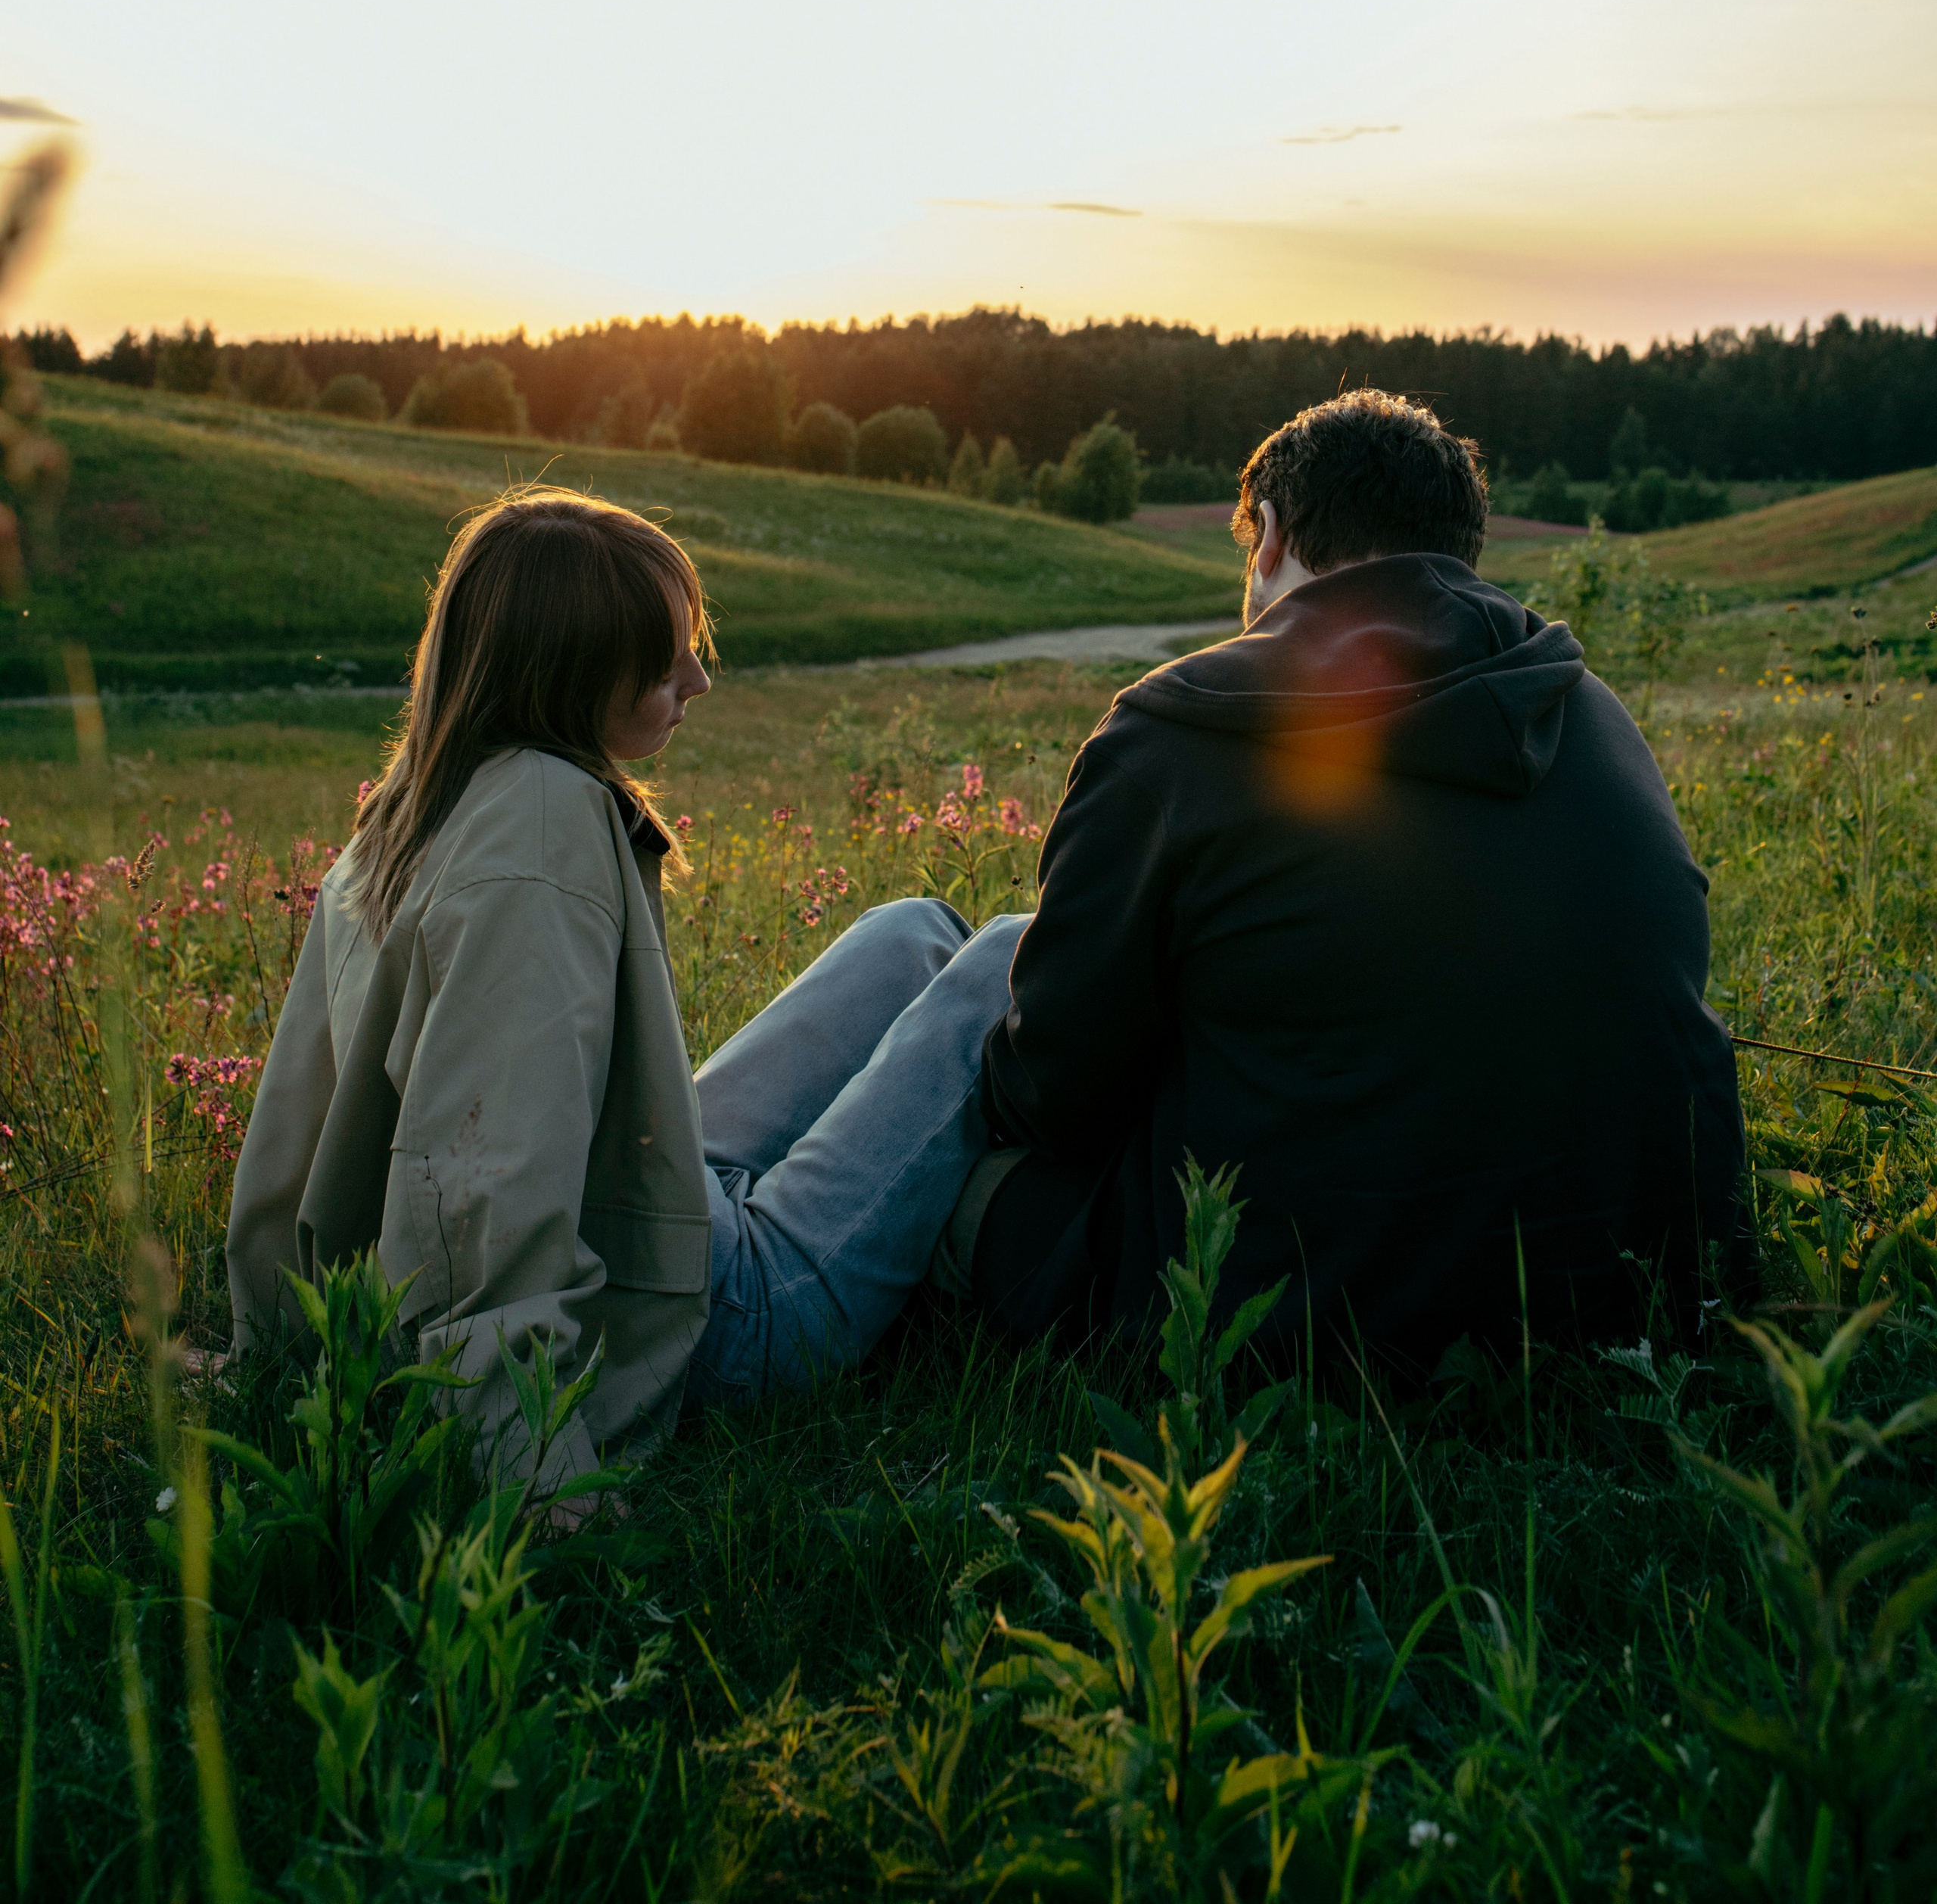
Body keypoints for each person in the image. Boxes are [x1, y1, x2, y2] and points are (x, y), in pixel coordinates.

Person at [226, 487, 1025, 1484]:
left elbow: (292, 1129)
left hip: (660, 1212)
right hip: (701, 1326)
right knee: (1012, 954)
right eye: (663, 659)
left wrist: (273, 1346)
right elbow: (492, 1181)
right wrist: (525, 1463)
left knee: (915, 931)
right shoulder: (540, 833)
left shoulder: (413, 809)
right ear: (568, 672)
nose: (698, 679)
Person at [955, 387, 1752, 1374]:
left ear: (1273, 537)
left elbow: (1051, 1096)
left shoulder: (1176, 731)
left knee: (964, 1136)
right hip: (1616, 1316)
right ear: (1460, 545)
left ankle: (754, 1282)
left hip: (1271, 1327)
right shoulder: (1591, 717)